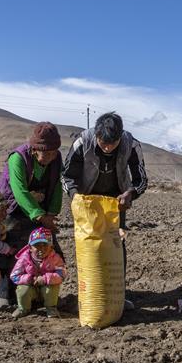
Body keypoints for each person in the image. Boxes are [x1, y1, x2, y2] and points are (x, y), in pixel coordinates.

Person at [62, 112, 148, 309]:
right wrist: (76, 197)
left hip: (116, 203)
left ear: (120, 136)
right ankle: (90, 293)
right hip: (87, 202)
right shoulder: (83, 142)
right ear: (97, 135)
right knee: (90, 246)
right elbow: (67, 176)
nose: (108, 147)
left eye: (113, 143)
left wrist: (131, 194)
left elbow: (141, 179)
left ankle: (117, 294)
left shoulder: (131, 144)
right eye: (103, 143)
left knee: (116, 244)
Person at [0, 122, 64, 309]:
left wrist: (51, 213)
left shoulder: (56, 159)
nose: (49, 157)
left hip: (42, 210)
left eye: (53, 153)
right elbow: (20, 191)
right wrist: (40, 216)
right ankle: (4, 295)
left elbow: (57, 186)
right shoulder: (18, 158)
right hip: (14, 208)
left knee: (47, 250)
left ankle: (41, 295)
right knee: (11, 250)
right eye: (45, 153)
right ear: (34, 149)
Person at [10, 227, 67, 318]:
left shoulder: (55, 258)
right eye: (37, 245)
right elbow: (14, 276)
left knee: (52, 286)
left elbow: (62, 274)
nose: (41, 248)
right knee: (23, 289)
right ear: (30, 248)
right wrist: (30, 279)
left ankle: (51, 308)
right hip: (31, 288)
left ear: (51, 246)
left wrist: (45, 279)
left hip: (46, 288)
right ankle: (23, 308)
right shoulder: (24, 259)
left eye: (45, 245)